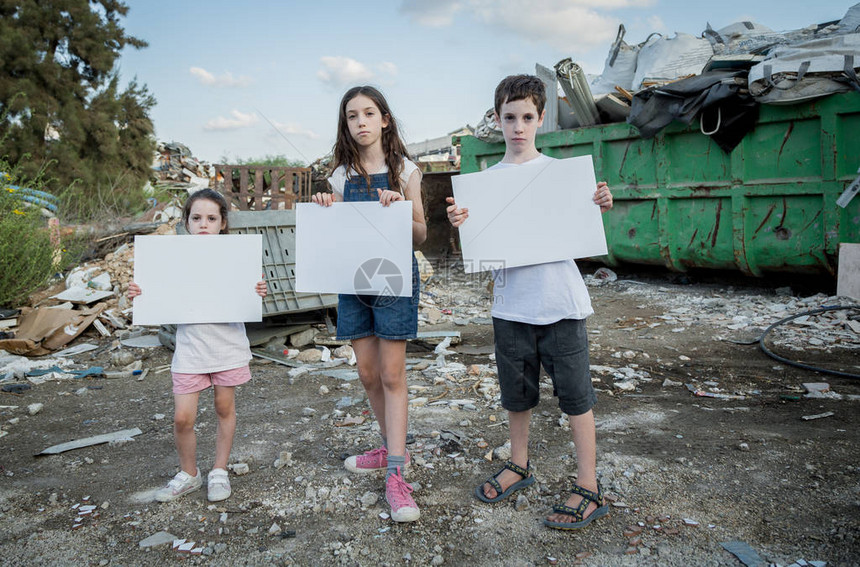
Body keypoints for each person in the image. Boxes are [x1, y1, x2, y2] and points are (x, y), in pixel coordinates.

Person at [446, 74, 614, 530]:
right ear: (497, 120)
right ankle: (518, 465)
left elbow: (584, 228)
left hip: (560, 305)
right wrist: (461, 222)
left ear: (540, 119)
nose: (518, 126)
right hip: (510, 308)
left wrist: (597, 200)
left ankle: (588, 485)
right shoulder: (482, 187)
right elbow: (480, 250)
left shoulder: (564, 178)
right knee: (516, 397)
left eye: (526, 117)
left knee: (577, 398)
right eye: (509, 117)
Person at [312, 86, 427, 523]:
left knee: (392, 373)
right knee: (366, 372)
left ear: (384, 120)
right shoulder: (340, 176)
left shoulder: (406, 170)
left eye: (368, 113)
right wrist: (326, 205)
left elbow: (421, 235)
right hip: (353, 279)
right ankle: (389, 446)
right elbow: (336, 231)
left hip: (393, 277)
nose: (360, 122)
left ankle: (397, 474)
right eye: (351, 116)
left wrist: (401, 209)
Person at [128, 188, 267, 503]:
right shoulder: (171, 260)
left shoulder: (237, 259)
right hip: (190, 350)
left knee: (223, 408)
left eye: (211, 218)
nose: (204, 224)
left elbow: (249, 295)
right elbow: (156, 294)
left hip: (227, 349)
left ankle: (219, 470)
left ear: (222, 224)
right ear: (186, 222)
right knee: (182, 418)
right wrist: (140, 293)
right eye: (197, 218)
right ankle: (189, 473)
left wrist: (257, 289)